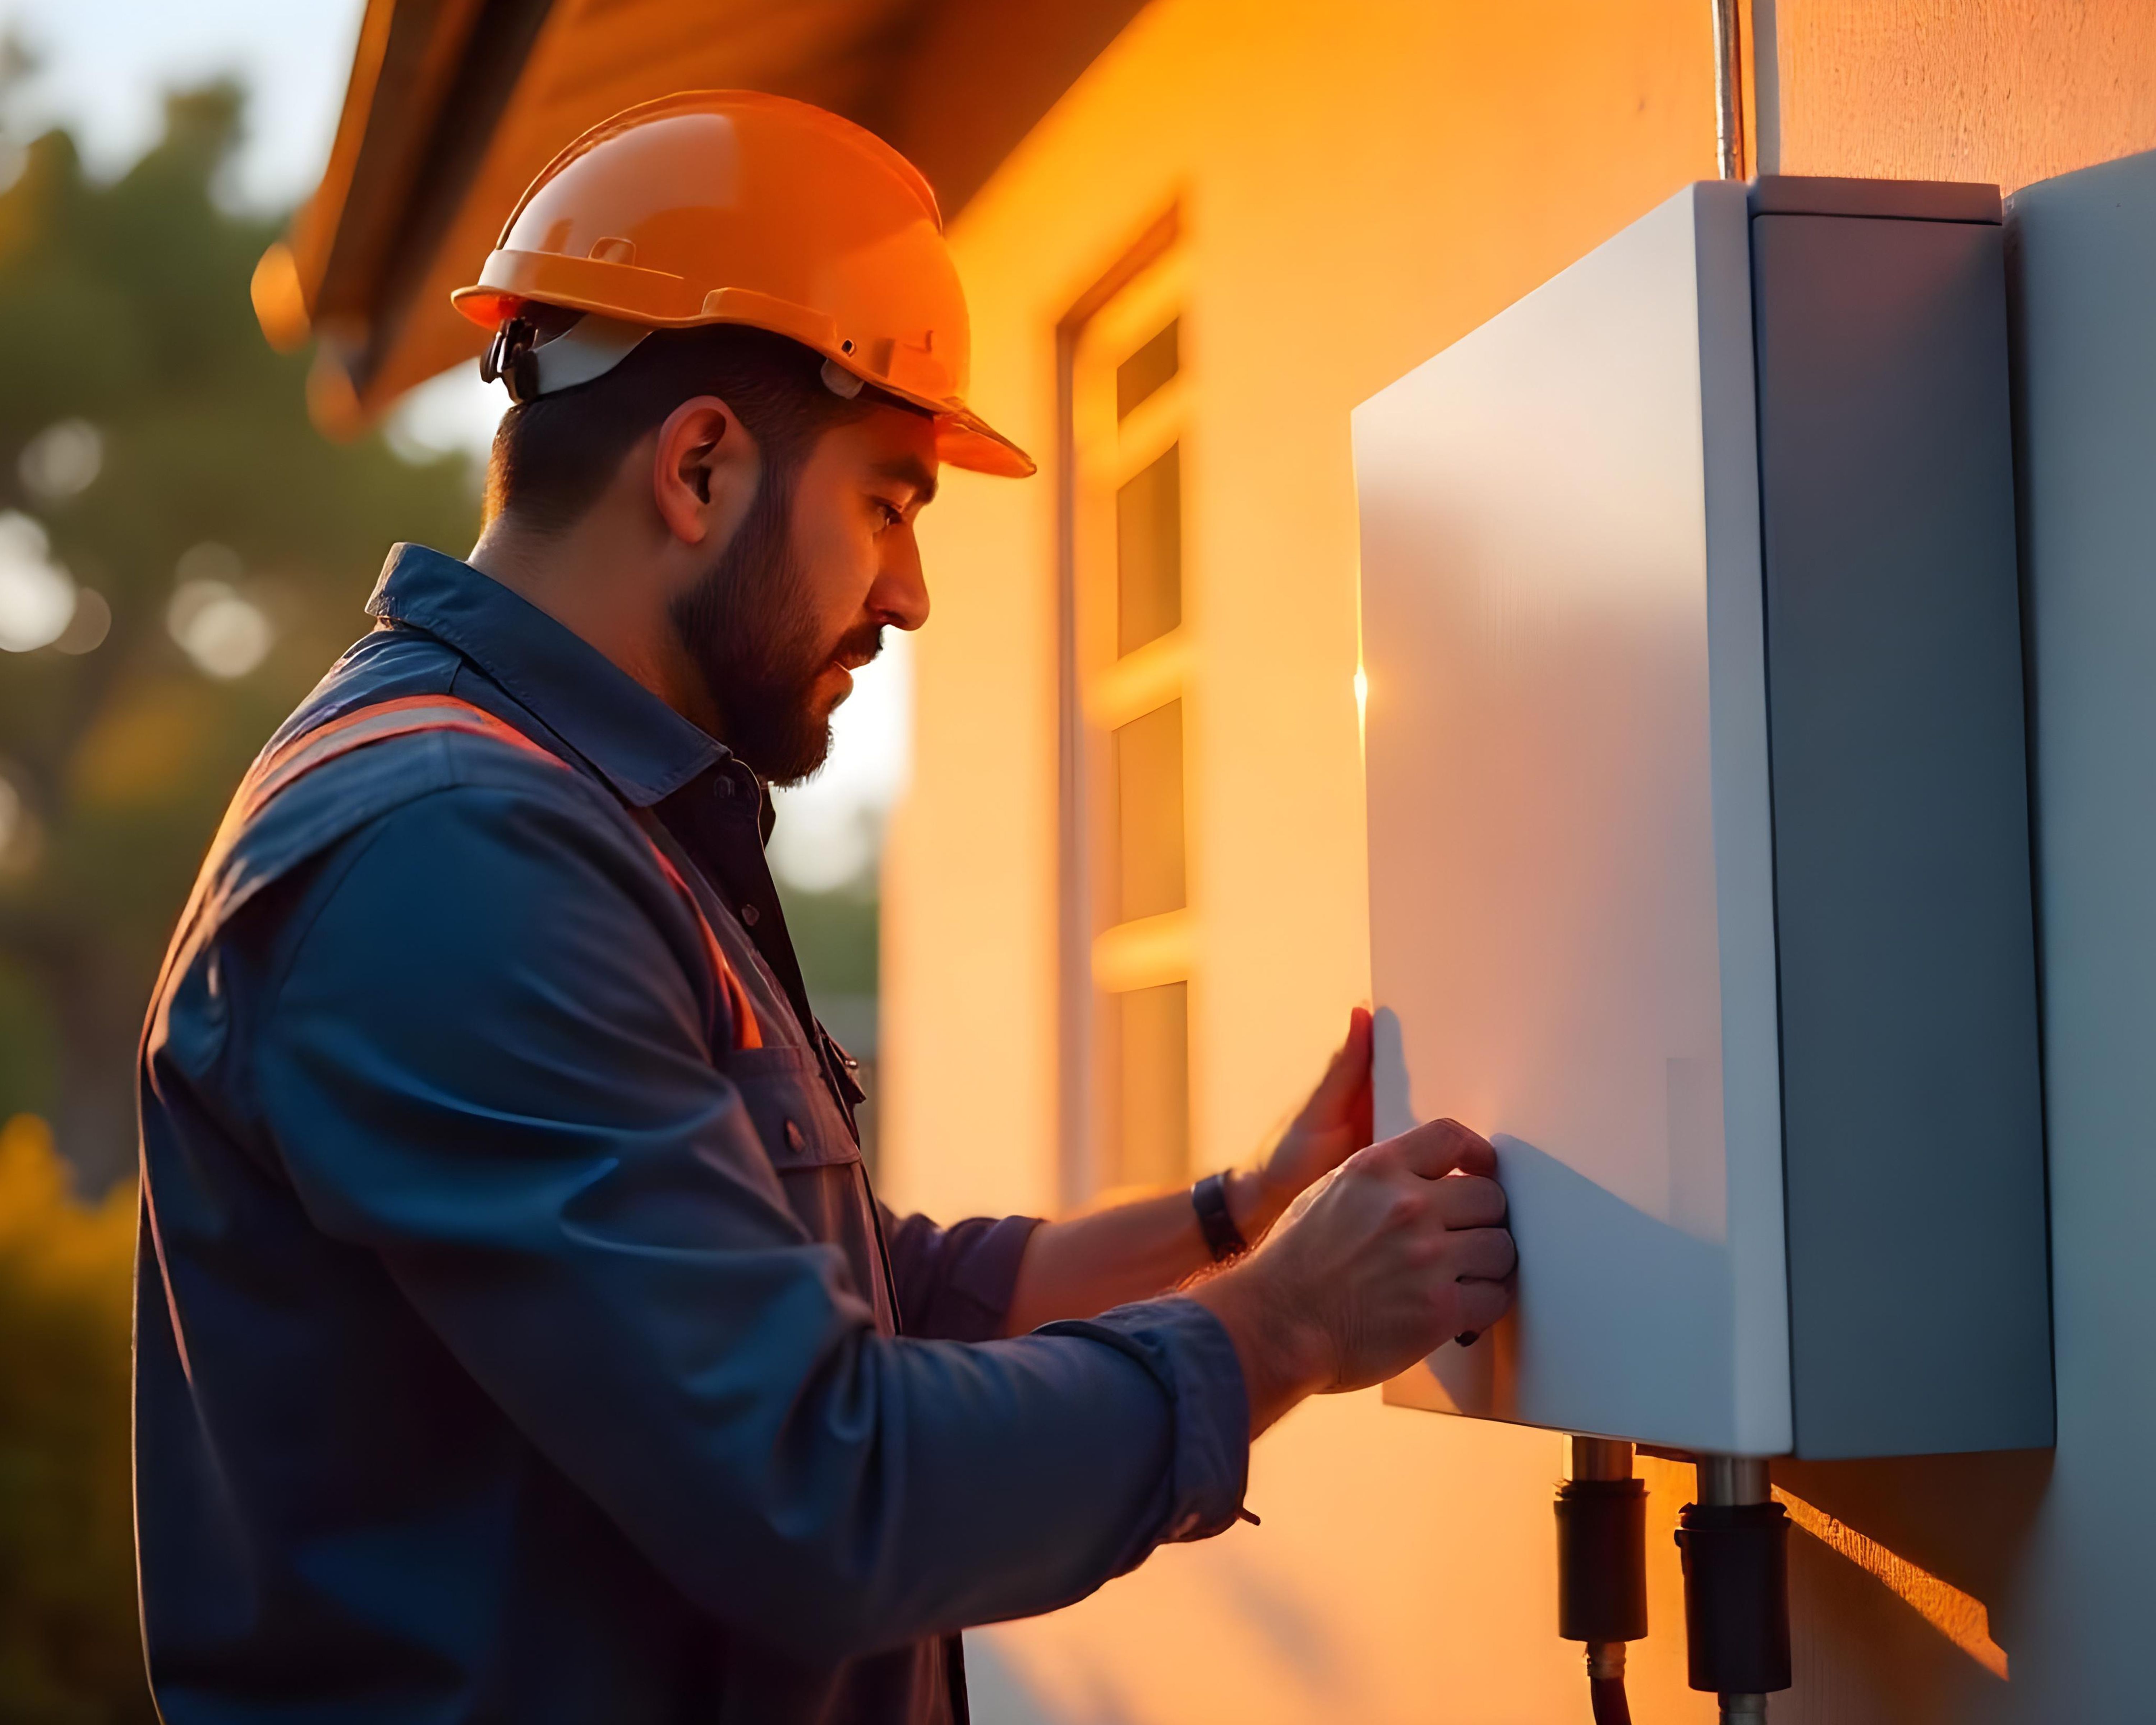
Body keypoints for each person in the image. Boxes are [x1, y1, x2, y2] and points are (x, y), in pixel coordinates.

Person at [135, 91, 1514, 1725]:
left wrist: (1242, 1213)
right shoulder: (455, 860)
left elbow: (870, 1291)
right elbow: (822, 1488)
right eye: (890, 500)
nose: (913, 594)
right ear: (702, 466)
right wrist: (1284, 1324)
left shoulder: (574, 818)